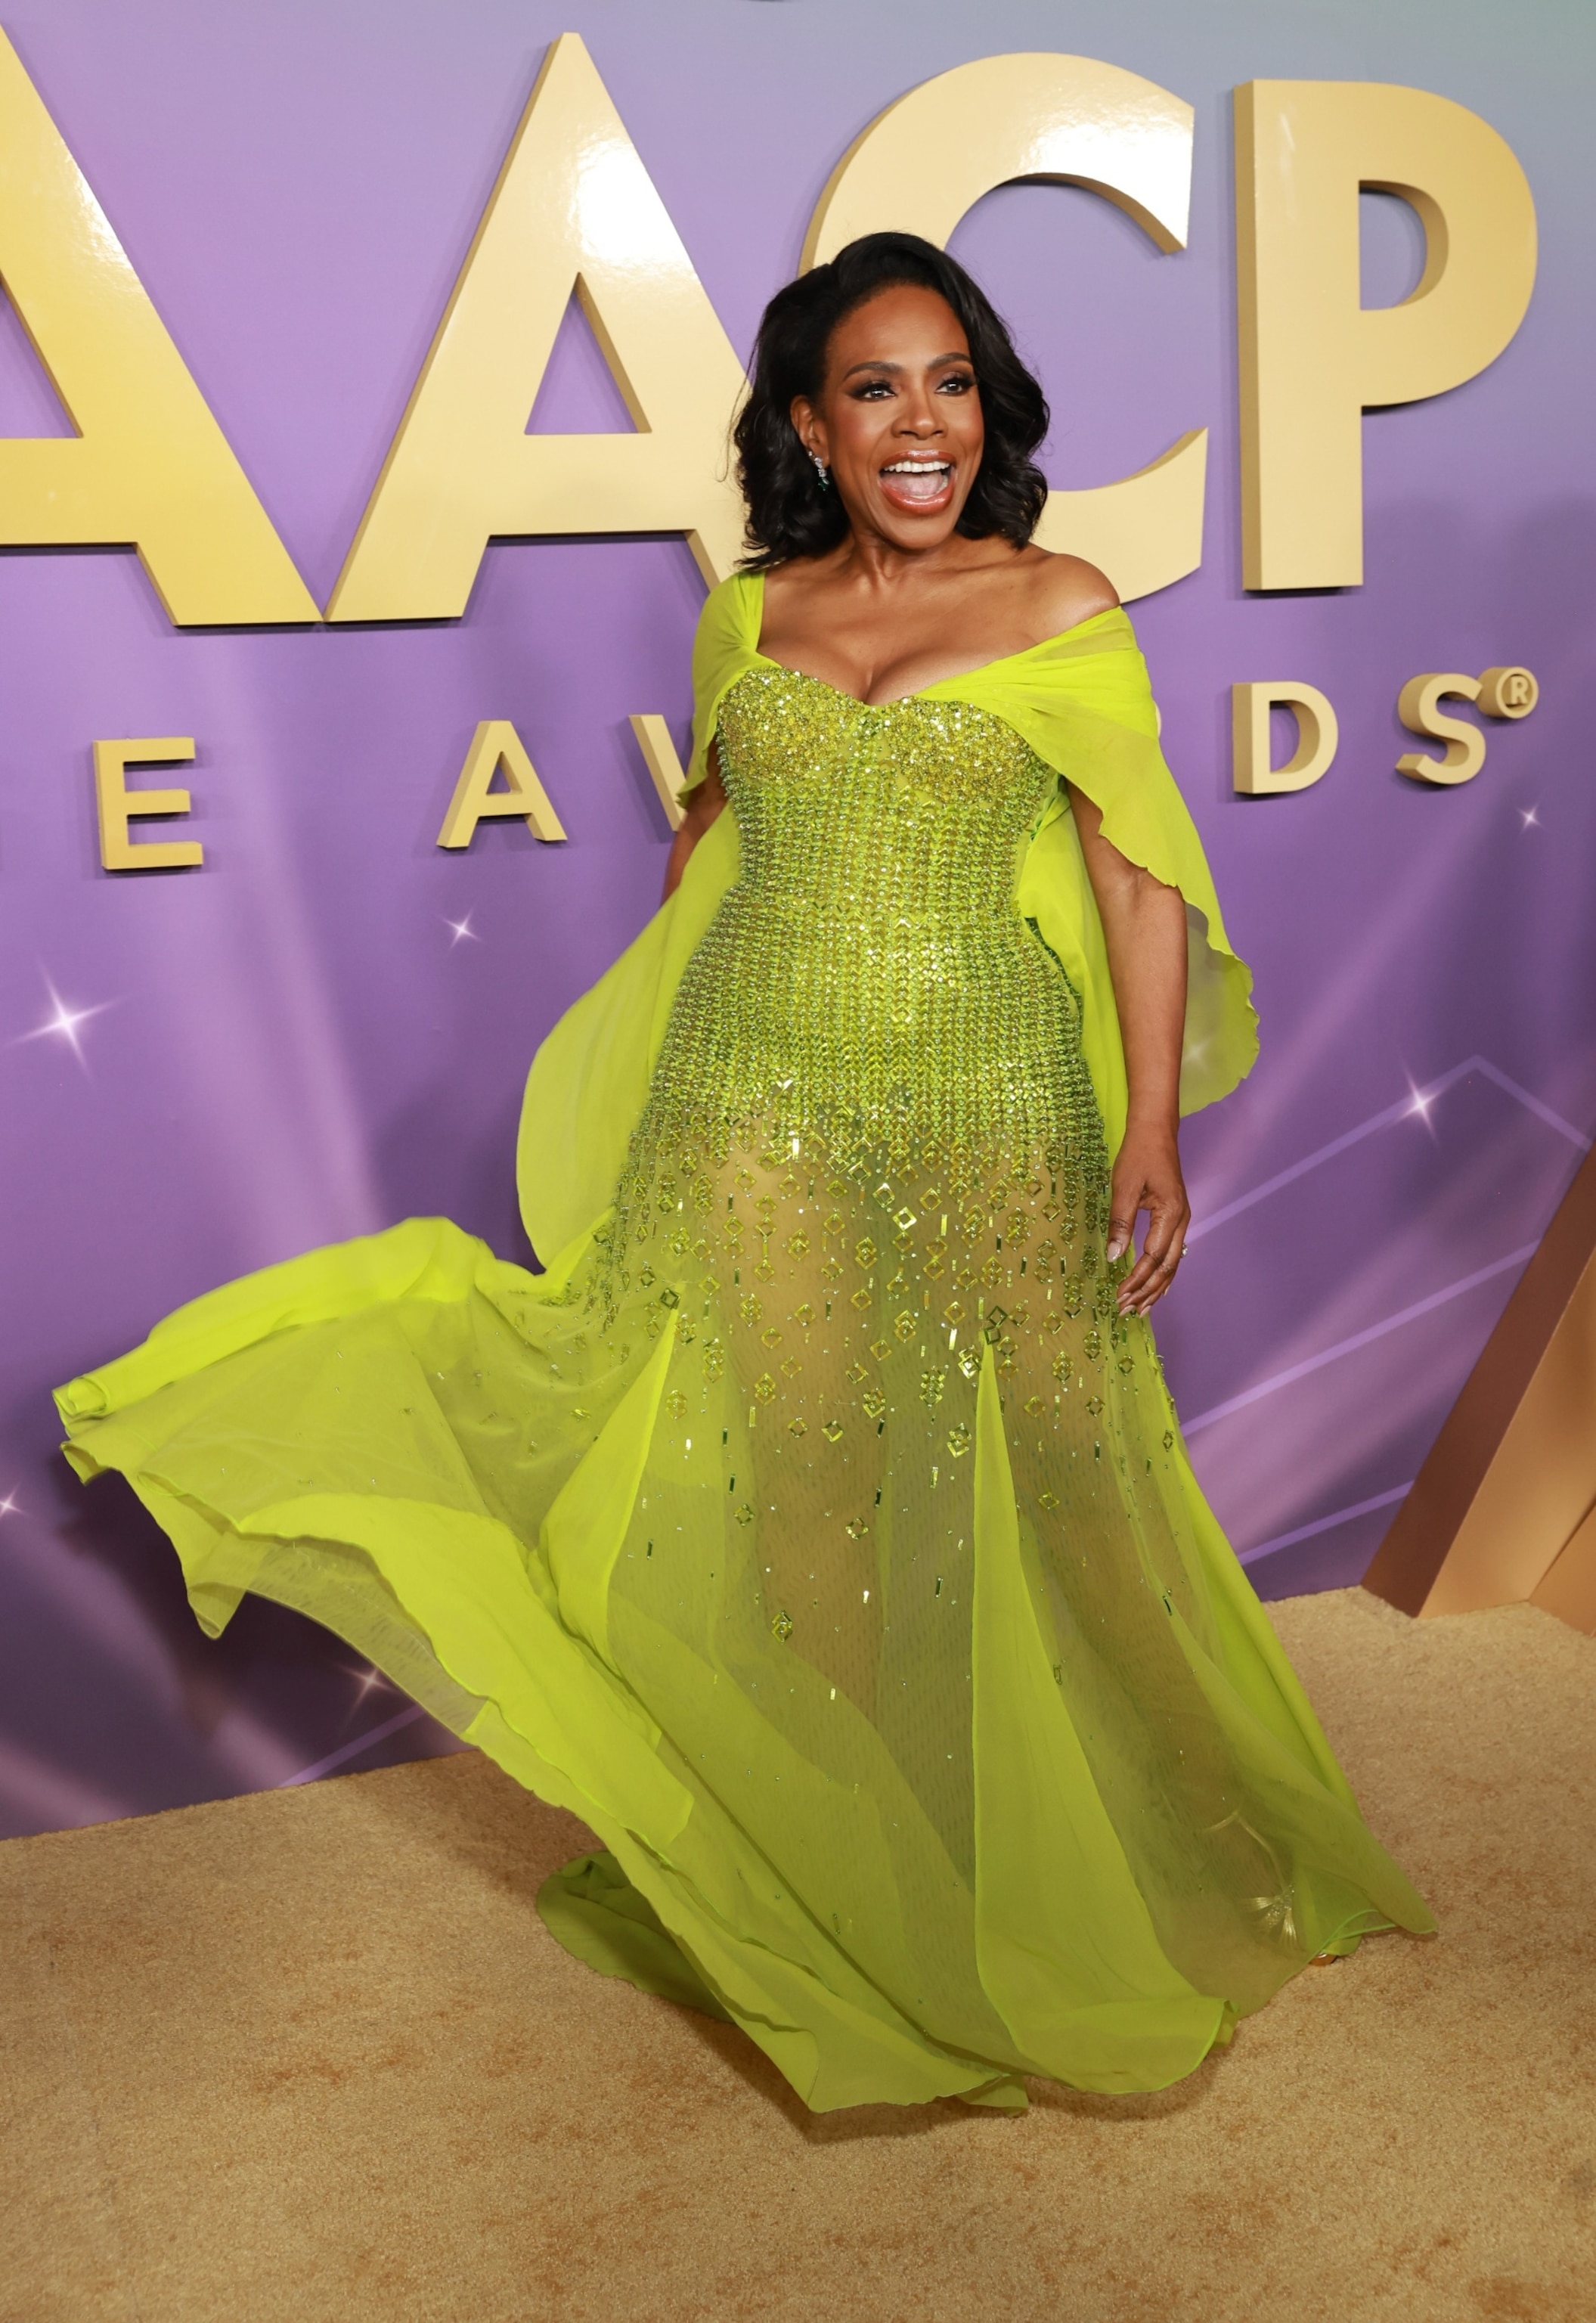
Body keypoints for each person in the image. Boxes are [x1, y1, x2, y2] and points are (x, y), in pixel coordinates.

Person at [56, 234, 1431, 2114]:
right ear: (812, 423)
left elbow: (1133, 875)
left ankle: (1112, 1851)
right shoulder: (753, 614)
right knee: (787, 1488)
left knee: (1043, 1488)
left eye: (951, 381)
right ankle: (839, 1867)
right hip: (754, 1102)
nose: (921, 423)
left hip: (987, 1110)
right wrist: (658, 1091)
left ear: (988, 408)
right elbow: (705, 849)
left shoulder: (1059, 601)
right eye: (877, 389)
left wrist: (1149, 1129)